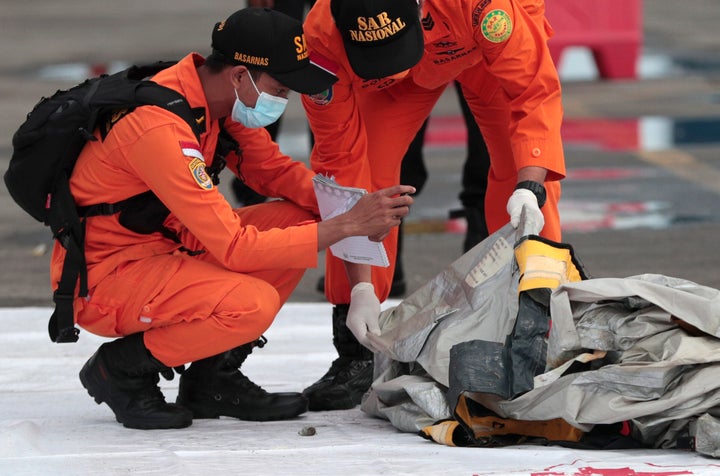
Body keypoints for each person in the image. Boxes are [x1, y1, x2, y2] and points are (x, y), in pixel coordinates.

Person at [56, 7, 415, 430]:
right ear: (240, 75)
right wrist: (346, 224)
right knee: (251, 305)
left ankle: (213, 378)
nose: (284, 101)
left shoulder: (213, 101)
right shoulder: (157, 128)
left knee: (296, 217)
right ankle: (119, 369)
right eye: (280, 88)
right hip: (108, 279)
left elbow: (278, 173)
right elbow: (234, 246)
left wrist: (349, 213)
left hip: (164, 250)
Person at [300, 0, 565, 411]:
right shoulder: (322, 38)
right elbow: (340, 163)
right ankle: (355, 352)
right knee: (368, 170)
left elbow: (533, 93)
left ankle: (540, 324)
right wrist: (359, 286)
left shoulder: (485, 7)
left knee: (520, 173)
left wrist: (531, 185)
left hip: (477, 47)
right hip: (391, 79)